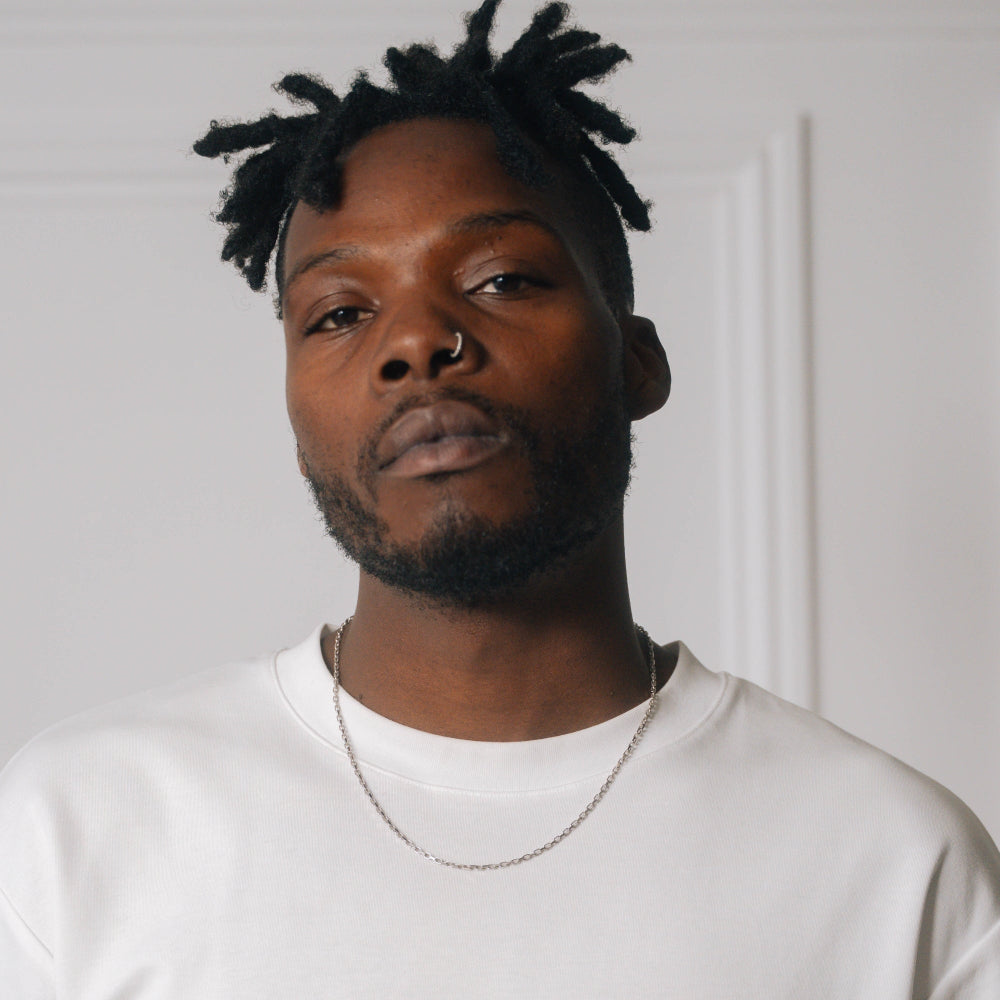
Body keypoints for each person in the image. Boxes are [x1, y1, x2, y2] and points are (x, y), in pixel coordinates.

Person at [2, 1, 998, 996]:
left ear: (639, 361)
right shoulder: (74, 832)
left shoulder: (894, 865)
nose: (415, 342)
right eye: (341, 311)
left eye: (501, 279)